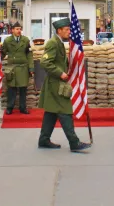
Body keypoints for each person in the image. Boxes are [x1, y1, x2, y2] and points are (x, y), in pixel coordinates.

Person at [38, 18, 91, 153]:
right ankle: (74, 142)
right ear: (59, 30)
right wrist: (60, 73)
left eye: (69, 29)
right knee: (65, 111)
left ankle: (44, 140)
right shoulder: (53, 43)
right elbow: (45, 63)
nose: (69, 32)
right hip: (56, 83)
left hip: (55, 83)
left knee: (51, 112)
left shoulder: (59, 42)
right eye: (66, 29)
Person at [1, 22, 34, 115]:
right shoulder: (7, 41)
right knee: (11, 89)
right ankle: (10, 107)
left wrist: (31, 68)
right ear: (12, 30)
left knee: (23, 89)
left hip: (23, 67)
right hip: (12, 68)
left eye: (20, 29)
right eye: (17, 29)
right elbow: (3, 52)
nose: (19, 31)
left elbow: (29, 55)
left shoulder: (25, 40)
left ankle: (23, 108)